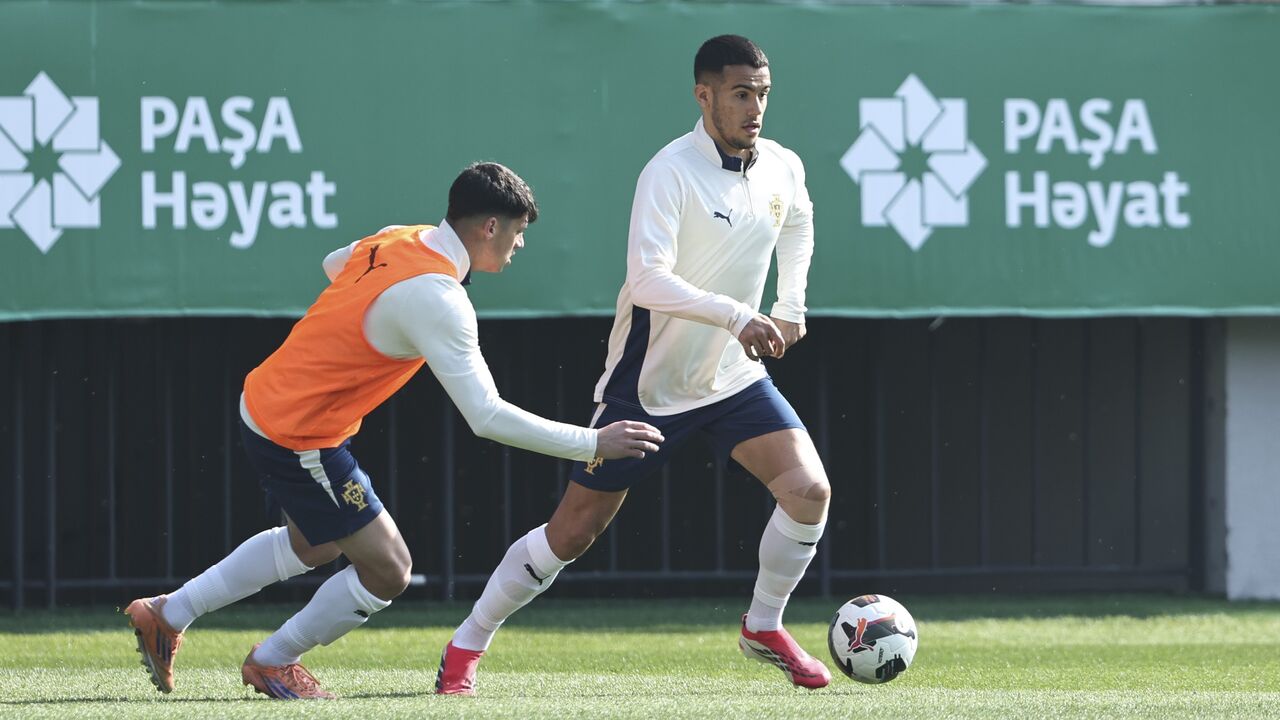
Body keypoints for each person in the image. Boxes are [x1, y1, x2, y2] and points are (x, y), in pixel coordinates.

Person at [123, 162, 664, 700]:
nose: (520, 245)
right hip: (299, 432)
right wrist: (594, 442)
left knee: (314, 544)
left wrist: (369, 318)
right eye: (518, 232)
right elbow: (486, 416)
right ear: (490, 227)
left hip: (269, 402)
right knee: (388, 570)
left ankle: (168, 613)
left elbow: (335, 263)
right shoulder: (439, 299)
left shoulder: (402, 238)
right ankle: (272, 661)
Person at [436, 35, 831, 695]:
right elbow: (647, 280)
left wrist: (792, 305)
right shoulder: (669, 171)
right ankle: (465, 645)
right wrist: (737, 316)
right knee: (572, 533)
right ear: (704, 95)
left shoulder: (782, 165)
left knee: (809, 491)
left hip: (731, 378)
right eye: (740, 94)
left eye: (762, 93)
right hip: (649, 386)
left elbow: (798, 221)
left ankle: (763, 625)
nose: (755, 107)